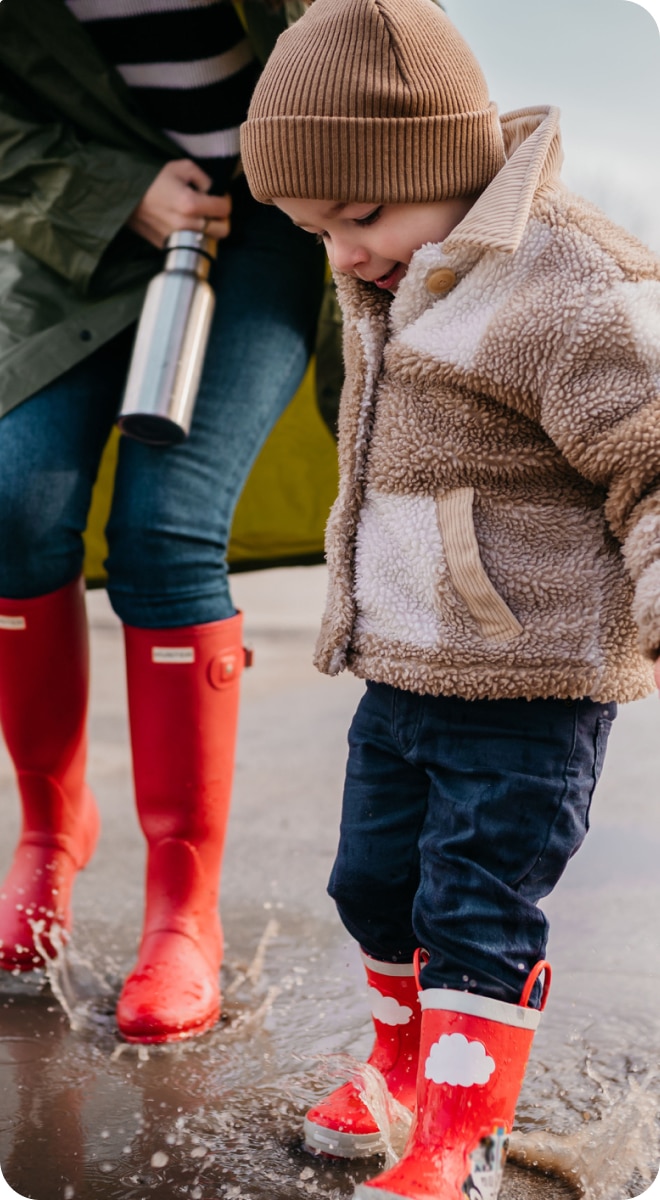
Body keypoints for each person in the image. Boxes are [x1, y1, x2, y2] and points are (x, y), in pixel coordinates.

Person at [240, 0, 660, 1196]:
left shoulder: (568, 282)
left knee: (475, 904)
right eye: (315, 232)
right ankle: (397, 1073)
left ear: (438, 160)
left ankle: (457, 1132)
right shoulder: (404, 266)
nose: (342, 256)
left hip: (530, 684)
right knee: (373, 885)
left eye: (357, 217)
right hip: (408, 670)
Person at [0, 0, 325, 1044]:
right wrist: (114, 192)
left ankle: (183, 912)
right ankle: (51, 833)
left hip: (276, 216)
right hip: (78, 219)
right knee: (14, 502)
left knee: (165, 528)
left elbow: (394, 47)